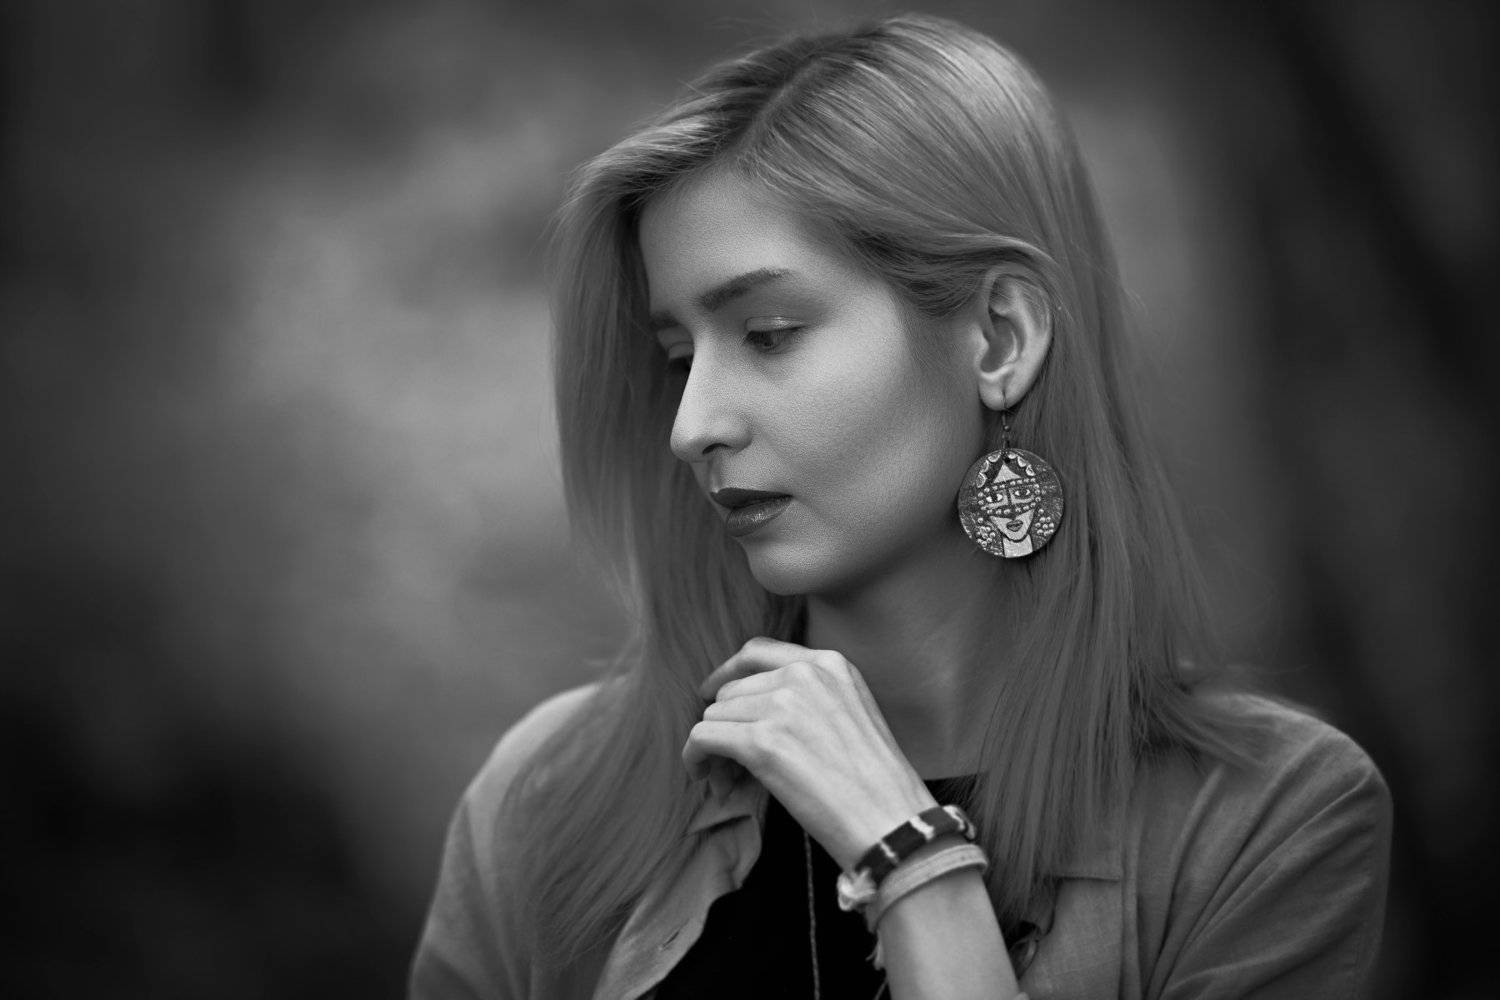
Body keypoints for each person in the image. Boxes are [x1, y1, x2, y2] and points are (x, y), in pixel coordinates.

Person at [410, 14, 1392, 1000]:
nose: (692, 425)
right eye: (677, 359)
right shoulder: (549, 801)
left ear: (1000, 339)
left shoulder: (1271, 821)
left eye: (769, 333)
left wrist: (913, 861)